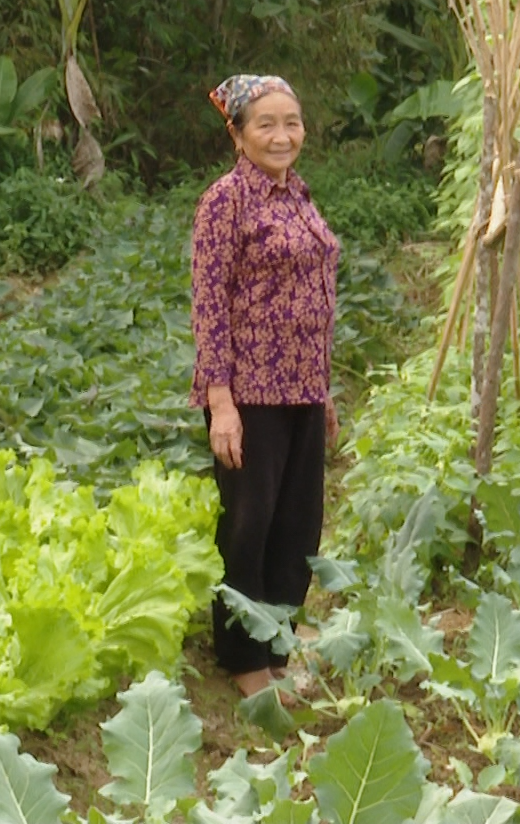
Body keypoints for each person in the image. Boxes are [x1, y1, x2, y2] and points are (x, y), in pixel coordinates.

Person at [191, 74, 340, 699]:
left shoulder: (298, 195)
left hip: (303, 390)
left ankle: (279, 644)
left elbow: (315, 296)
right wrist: (220, 403)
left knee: (298, 527)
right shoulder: (226, 202)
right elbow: (210, 306)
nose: (282, 136)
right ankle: (245, 660)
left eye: (292, 123)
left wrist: (324, 391)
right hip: (251, 394)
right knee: (248, 528)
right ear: (237, 133)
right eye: (266, 125)